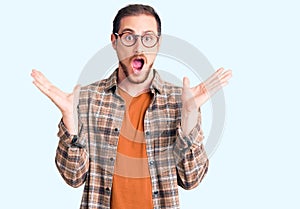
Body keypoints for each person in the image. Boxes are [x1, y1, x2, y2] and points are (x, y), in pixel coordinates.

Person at [31, 4, 232, 209]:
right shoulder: (86, 99)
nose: (139, 47)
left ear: (158, 44)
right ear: (114, 42)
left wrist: (189, 117)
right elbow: (73, 177)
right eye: (129, 37)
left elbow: (192, 180)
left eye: (148, 38)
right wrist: (70, 121)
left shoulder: (182, 101)